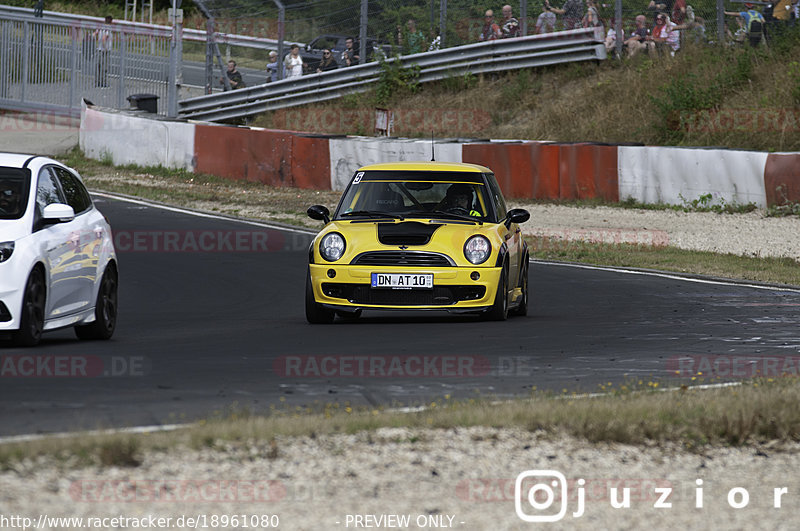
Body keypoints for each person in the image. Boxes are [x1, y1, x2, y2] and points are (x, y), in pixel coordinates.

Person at [94, 15, 113, 87]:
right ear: (111, 21)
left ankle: (97, 82)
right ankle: (103, 82)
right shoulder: (108, 29)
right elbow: (104, 39)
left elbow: (94, 34)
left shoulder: (100, 27)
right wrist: (105, 48)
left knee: (98, 66)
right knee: (104, 67)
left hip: (99, 49)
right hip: (104, 50)